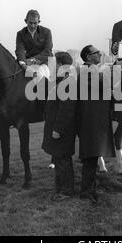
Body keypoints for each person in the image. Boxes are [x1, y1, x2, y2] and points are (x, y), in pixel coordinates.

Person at [77, 45, 115, 204]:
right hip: (90, 121)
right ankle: (86, 192)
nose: (100, 54)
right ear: (88, 57)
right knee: (90, 158)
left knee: (92, 158)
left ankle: (90, 188)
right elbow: (104, 84)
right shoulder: (87, 71)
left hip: (95, 120)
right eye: (96, 52)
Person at [42, 52, 77, 201]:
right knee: (58, 159)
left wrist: (57, 129)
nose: (53, 66)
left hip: (62, 131)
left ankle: (67, 191)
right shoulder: (61, 80)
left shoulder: (67, 82)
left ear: (61, 64)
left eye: (55, 63)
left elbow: (67, 109)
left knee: (63, 160)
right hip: (57, 128)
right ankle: (60, 188)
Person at [15, 9, 53, 79]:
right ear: (26, 21)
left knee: (41, 77)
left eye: (35, 23)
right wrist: (23, 64)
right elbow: (20, 50)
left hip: (44, 63)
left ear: (39, 22)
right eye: (30, 23)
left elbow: (47, 51)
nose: (32, 26)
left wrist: (30, 61)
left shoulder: (47, 32)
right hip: (26, 63)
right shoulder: (20, 34)